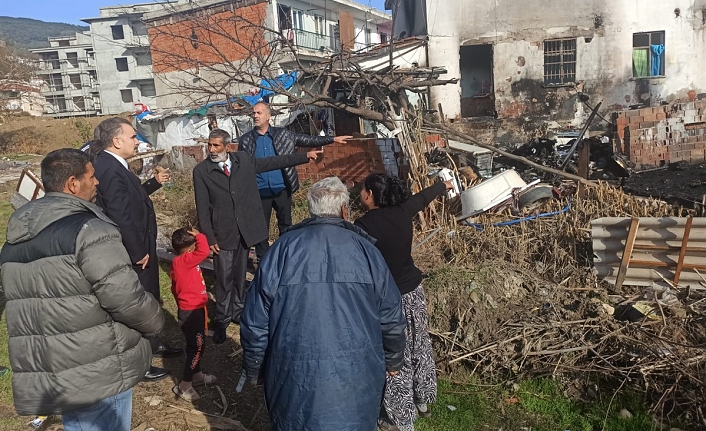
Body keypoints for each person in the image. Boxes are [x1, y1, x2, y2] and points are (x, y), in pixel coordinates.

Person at [0, 148, 164, 431]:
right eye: (91, 176)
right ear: (73, 184)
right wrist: (156, 322)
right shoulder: (91, 230)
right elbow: (124, 297)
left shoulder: (16, 237)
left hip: (55, 366)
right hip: (97, 364)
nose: (97, 182)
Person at [240, 176, 407, 431]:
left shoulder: (282, 249)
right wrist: (393, 359)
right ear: (344, 210)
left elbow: (255, 321)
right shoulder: (367, 251)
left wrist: (255, 367)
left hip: (294, 373)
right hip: (357, 375)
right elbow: (391, 315)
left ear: (311, 210)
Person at [193, 128, 323, 344]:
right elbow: (202, 208)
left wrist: (303, 156)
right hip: (222, 232)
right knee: (224, 278)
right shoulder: (202, 171)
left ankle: (237, 312)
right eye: (209, 145)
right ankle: (222, 319)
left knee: (240, 274)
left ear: (228, 146)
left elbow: (274, 162)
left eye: (216, 145)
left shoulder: (243, 161)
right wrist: (209, 237)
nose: (211, 149)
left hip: (244, 230)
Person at [354, 174, 453, 431]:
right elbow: (422, 198)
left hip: (388, 300)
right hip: (414, 291)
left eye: (363, 189)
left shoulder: (363, 225)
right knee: (420, 345)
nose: (360, 193)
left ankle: (399, 416)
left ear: (371, 195)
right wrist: (444, 185)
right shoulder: (402, 211)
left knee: (397, 358)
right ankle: (423, 399)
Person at [90, 117, 181, 381]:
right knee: (137, 304)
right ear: (117, 141)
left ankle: (152, 344)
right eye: (132, 137)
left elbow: (128, 198)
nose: (137, 141)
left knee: (148, 298)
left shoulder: (114, 165)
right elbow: (119, 213)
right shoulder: (108, 168)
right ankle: (139, 362)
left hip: (141, 245)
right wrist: (137, 249)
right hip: (135, 250)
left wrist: (153, 183)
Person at [238, 102, 352, 262]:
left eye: (259, 112)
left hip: (282, 188)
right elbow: (242, 167)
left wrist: (332, 139)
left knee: (286, 226)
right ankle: (263, 261)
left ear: (268, 116)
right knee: (260, 229)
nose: (255, 116)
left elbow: (307, 140)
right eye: (254, 113)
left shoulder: (283, 134)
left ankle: (287, 258)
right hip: (259, 191)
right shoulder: (246, 140)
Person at [169, 227, 216, 401]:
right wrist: (200, 236)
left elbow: (174, 289)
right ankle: (184, 384)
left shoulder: (179, 263)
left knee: (196, 345)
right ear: (189, 250)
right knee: (196, 348)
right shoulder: (185, 260)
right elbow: (204, 250)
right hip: (192, 312)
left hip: (192, 309)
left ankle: (197, 374)